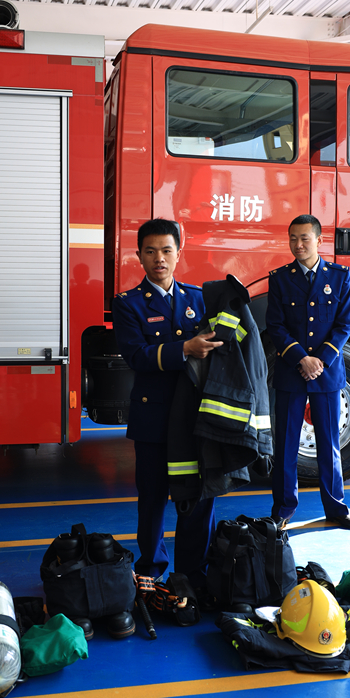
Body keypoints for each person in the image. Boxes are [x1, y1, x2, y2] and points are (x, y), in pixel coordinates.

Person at [112, 218, 223, 592]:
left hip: (194, 419)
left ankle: (194, 569)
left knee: (197, 496)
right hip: (154, 419)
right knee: (154, 497)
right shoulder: (127, 304)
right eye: (150, 251)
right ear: (139, 255)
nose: (159, 258)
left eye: (166, 250)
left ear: (179, 253)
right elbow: (137, 356)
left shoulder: (197, 299)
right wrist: (185, 349)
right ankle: (152, 566)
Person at [266, 215, 350, 530]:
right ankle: (282, 509)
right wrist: (300, 358)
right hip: (292, 372)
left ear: (320, 240)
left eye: (305, 238)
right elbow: (275, 326)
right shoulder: (280, 278)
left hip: (327, 372)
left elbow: (344, 324)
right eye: (293, 238)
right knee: (286, 445)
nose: (298, 245)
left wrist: (320, 359)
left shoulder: (339, 276)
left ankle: (336, 508)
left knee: (329, 443)